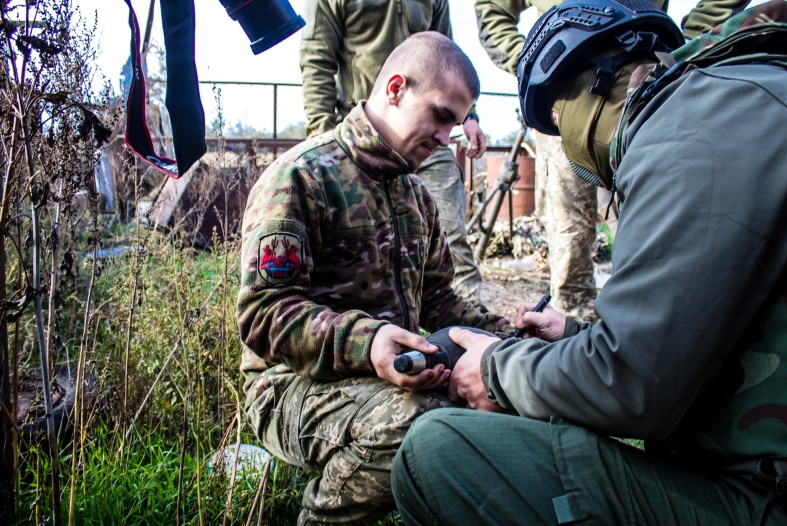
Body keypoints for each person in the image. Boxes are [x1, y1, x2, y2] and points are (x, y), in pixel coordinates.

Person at [391, 1, 787, 524]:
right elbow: (723, 330)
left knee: (435, 453)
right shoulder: (741, 99)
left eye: (557, 122)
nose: (567, 149)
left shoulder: (690, 131)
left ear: (595, 84)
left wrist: (496, 368)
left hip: (764, 500)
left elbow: (634, 386)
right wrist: (579, 335)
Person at [239, 33, 512, 526]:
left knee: (502, 393)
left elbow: (442, 304)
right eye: (441, 116)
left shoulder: (416, 195)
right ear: (394, 88)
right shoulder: (303, 177)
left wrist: (513, 339)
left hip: (395, 378)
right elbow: (264, 316)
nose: (446, 138)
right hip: (291, 387)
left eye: (456, 123)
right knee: (422, 424)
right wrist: (370, 343)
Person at [473, 0, 752, 321]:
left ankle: (641, 324)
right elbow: (492, 10)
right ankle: (575, 337)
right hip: (568, 104)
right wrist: (538, 63)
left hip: (646, 89)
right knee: (569, 237)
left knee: (655, 225)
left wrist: (687, 42)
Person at [300, 0, 488, 307]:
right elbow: (317, 59)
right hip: (363, 139)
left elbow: (449, 59)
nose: (447, 138)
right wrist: (326, 147)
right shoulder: (303, 176)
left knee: (452, 236)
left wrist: (467, 118)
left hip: (426, 130)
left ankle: (472, 335)